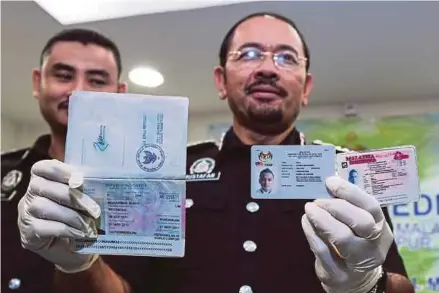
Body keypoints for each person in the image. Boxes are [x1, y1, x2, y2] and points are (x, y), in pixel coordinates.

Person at [16, 12, 415, 293]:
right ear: (221, 81)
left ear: (306, 87)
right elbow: (119, 285)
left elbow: (399, 283)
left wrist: (368, 285)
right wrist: (78, 263)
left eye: (286, 57)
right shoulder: (167, 171)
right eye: (249, 54)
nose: (267, 68)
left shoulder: (348, 177)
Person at [1, 28, 126, 293]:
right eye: (64, 76)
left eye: (97, 81)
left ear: (120, 93)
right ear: (38, 82)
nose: (78, 91)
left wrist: (79, 264)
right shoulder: (3, 172)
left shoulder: (146, 190)